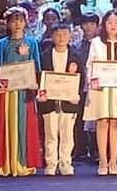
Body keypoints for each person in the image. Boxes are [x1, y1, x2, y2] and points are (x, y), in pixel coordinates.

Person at [0, 6, 42, 176]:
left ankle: (22, 162)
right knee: (7, 124)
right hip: (7, 91)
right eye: (13, 21)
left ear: (26, 23)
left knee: (24, 126)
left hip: (25, 91)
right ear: (8, 24)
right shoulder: (2, 44)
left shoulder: (32, 43)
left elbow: (37, 67)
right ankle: (5, 162)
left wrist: (36, 83)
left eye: (20, 20)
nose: (17, 24)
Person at [84, 10, 117, 175]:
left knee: (115, 122)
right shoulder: (96, 43)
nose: (113, 25)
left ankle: (113, 160)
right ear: (104, 25)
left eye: (116, 22)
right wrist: (93, 80)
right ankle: (103, 160)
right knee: (102, 121)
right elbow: (90, 65)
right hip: (100, 88)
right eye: (109, 22)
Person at [37, 22, 82, 175]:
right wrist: (41, 93)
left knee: (67, 135)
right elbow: (40, 77)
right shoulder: (44, 56)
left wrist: (77, 95)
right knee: (50, 134)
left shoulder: (76, 56)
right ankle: (51, 163)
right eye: (58, 34)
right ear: (52, 36)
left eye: (64, 34)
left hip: (69, 102)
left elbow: (81, 78)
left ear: (70, 36)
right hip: (49, 101)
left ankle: (65, 163)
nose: (61, 38)